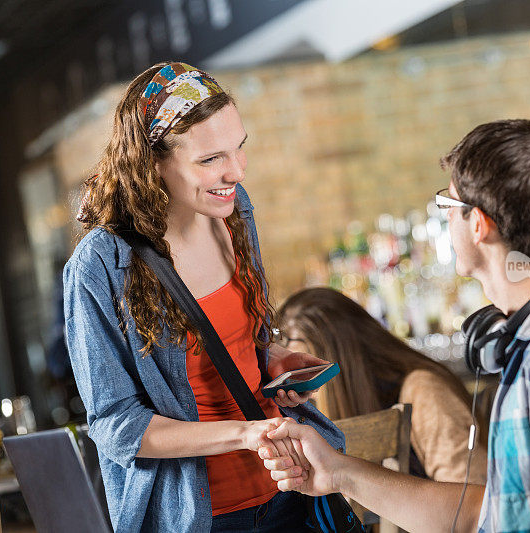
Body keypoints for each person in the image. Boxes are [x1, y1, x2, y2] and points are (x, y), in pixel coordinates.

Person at [260, 119, 530, 533]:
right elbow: (484, 516)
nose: (446, 221)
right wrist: (336, 471)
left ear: (478, 224)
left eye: (447, 207)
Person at [64, 62, 339, 532]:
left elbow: (234, 342)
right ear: (152, 162)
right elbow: (116, 425)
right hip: (200, 516)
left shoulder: (234, 211)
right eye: (210, 159)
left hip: (290, 484)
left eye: (239, 148)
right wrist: (244, 433)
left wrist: (272, 361)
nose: (234, 171)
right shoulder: (101, 266)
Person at [276, 287, 487, 484]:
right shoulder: (352, 403)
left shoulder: (422, 390)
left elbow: (469, 496)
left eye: (286, 343)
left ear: (337, 353)